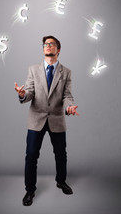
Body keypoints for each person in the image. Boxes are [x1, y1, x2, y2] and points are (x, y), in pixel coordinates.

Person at [14, 35, 79, 206]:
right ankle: (30, 190)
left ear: (58, 50)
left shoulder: (66, 72)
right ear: (43, 49)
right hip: (36, 119)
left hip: (57, 118)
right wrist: (23, 95)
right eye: (45, 44)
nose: (48, 46)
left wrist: (69, 107)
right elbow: (29, 92)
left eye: (52, 44)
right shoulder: (33, 70)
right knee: (31, 156)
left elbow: (67, 96)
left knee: (60, 155)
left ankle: (61, 181)